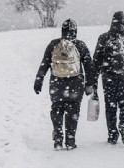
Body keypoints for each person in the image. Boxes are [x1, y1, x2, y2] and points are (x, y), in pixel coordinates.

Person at [34, 18, 94, 150]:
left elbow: (44, 63)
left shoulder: (53, 44)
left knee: (57, 109)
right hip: (76, 85)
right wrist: (90, 84)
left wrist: (39, 80)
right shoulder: (80, 45)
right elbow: (89, 67)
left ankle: (58, 138)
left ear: (62, 31)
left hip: (57, 84)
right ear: (75, 31)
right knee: (73, 111)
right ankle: (70, 141)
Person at [92, 11, 124, 145]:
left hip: (108, 77)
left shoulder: (104, 37)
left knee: (110, 105)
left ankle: (112, 134)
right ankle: (123, 124)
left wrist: (93, 81)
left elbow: (96, 60)